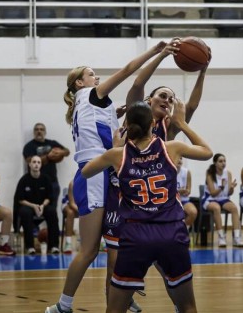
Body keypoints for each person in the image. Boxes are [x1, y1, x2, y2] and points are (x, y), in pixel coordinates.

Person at [46, 41, 176, 313]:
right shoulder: (90, 94)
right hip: (94, 175)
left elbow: (99, 128)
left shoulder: (91, 105)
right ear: (80, 83)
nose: (97, 78)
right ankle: (62, 306)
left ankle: (121, 296)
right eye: (92, 74)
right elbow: (128, 71)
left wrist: (113, 116)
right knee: (90, 249)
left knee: (119, 246)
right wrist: (157, 52)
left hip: (106, 174)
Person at [81, 100, 213, 313]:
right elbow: (207, 152)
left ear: (127, 126)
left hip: (136, 234)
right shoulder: (171, 148)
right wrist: (181, 123)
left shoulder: (118, 155)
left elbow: (86, 172)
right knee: (187, 307)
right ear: (153, 123)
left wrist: (115, 148)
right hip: (171, 231)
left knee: (114, 310)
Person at [125, 39, 210, 141]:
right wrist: (162, 55)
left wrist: (202, 72)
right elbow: (138, 84)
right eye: (162, 96)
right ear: (150, 99)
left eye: (171, 100)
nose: (166, 100)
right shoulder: (135, 114)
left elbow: (191, 106)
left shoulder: (169, 127)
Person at [14, 155, 60, 254]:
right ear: (29, 164)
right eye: (34, 162)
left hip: (42, 206)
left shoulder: (46, 179)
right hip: (29, 206)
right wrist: (34, 206)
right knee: (25, 213)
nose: (36, 164)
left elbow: (49, 197)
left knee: (52, 212)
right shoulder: (24, 180)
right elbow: (20, 199)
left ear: (41, 165)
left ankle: (53, 246)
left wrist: (42, 205)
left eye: (38, 162)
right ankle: (29, 246)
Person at [202, 153, 243, 247]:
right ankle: (221, 237)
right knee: (216, 208)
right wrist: (221, 187)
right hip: (210, 199)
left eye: (224, 161)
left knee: (234, 208)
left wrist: (231, 188)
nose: (223, 163)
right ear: (215, 163)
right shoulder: (210, 174)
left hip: (223, 198)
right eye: (220, 161)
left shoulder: (228, 173)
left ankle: (236, 237)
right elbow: (212, 193)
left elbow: (229, 193)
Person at [23, 122, 70, 206]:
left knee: (52, 210)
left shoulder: (52, 143)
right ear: (34, 132)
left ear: (45, 132)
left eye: (41, 129)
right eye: (36, 129)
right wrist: (48, 157)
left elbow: (67, 151)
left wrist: (60, 152)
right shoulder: (29, 146)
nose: (39, 131)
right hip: (35, 183)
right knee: (36, 209)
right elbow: (29, 161)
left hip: (52, 182)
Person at [177, 157, 198, 229]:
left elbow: (188, 191)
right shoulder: (167, 172)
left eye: (181, 158)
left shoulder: (186, 172)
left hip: (184, 200)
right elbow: (167, 192)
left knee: (193, 212)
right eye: (177, 158)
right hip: (172, 201)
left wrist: (186, 191)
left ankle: (183, 230)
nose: (179, 160)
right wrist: (178, 191)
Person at [61, 179, 78, 254]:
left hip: (80, 205)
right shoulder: (72, 183)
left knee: (96, 212)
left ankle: (100, 241)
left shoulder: (91, 182)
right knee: (70, 213)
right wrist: (82, 211)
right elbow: (71, 204)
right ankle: (68, 243)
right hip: (68, 203)